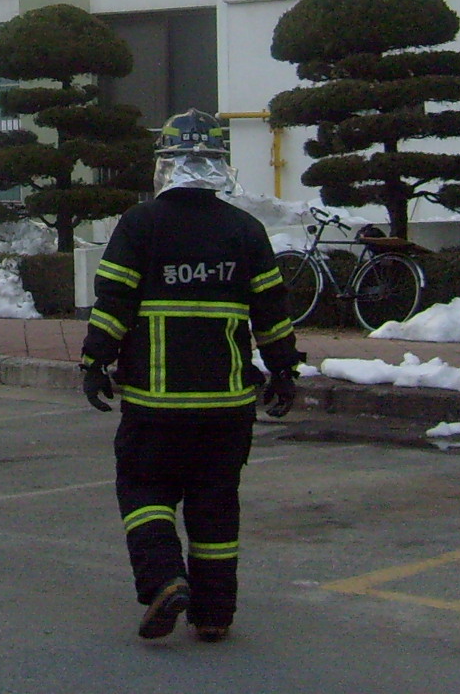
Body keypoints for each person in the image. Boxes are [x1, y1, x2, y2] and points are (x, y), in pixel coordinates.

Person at [79, 110, 302, 643]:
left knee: (144, 489)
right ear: (220, 164)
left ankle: (165, 580)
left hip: (156, 404)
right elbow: (271, 311)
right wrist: (284, 371)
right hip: (227, 407)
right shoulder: (245, 230)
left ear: (165, 163)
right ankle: (215, 614)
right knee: (215, 505)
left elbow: (114, 302)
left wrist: (94, 361)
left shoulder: (141, 224)